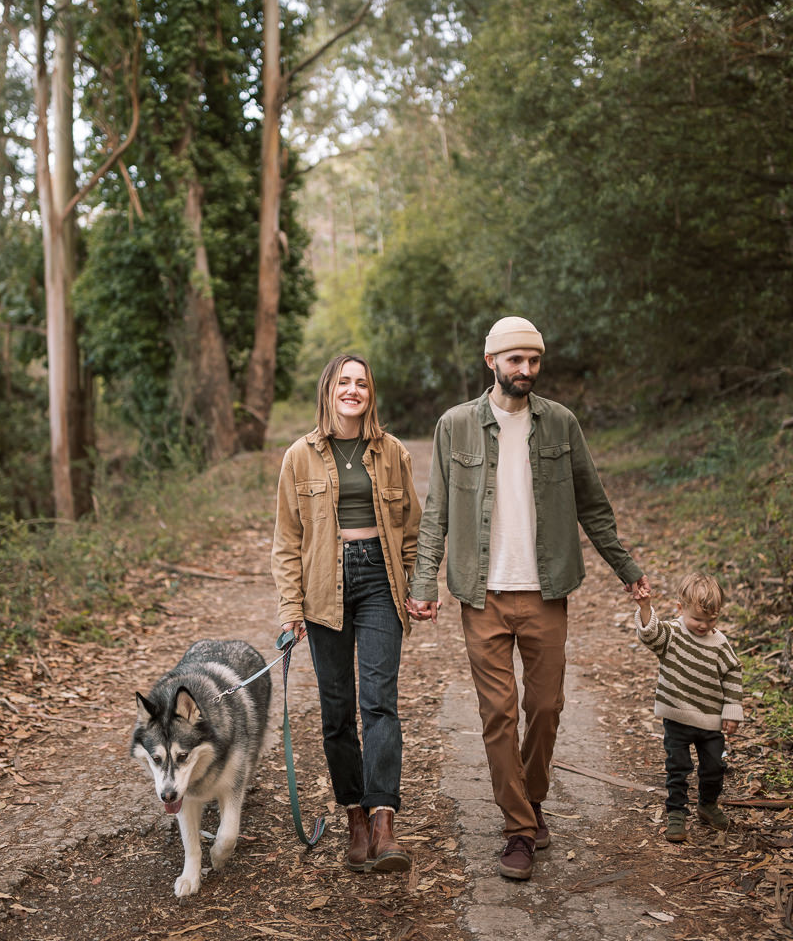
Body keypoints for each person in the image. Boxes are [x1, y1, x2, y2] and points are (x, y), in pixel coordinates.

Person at [407, 315, 648, 882]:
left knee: (545, 708)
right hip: (481, 593)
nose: (526, 371)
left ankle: (532, 799)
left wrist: (627, 570)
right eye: (515, 360)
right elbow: (436, 510)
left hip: (545, 591)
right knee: (498, 713)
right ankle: (518, 828)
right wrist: (423, 583)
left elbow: (593, 504)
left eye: (534, 361)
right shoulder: (455, 425)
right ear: (490, 361)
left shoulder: (561, 424)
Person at [271, 354, 421, 874]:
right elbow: (287, 540)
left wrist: (418, 584)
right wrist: (290, 608)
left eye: (361, 383)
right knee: (337, 711)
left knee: (379, 702)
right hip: (322, 589)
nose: (353, 390)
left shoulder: (392, 452)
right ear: (328, 390)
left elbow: (411, 527)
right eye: (344, 382)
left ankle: (384, 821)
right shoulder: (299, 456)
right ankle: (354, 814)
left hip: (380, 577)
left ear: (369, 393)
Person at [635, 572, 743, 843]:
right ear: (680, 608)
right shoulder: (672, 634)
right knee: (678, 766)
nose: (704, 626)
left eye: (711, 620)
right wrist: (646, 608)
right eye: (697, 619)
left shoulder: (720, 644)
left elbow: (732, 673)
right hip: (677, 718)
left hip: (709, 722)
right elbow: (651, 636)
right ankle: (676, 812)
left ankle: (707, 804)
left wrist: (731, 709)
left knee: (713, 767)